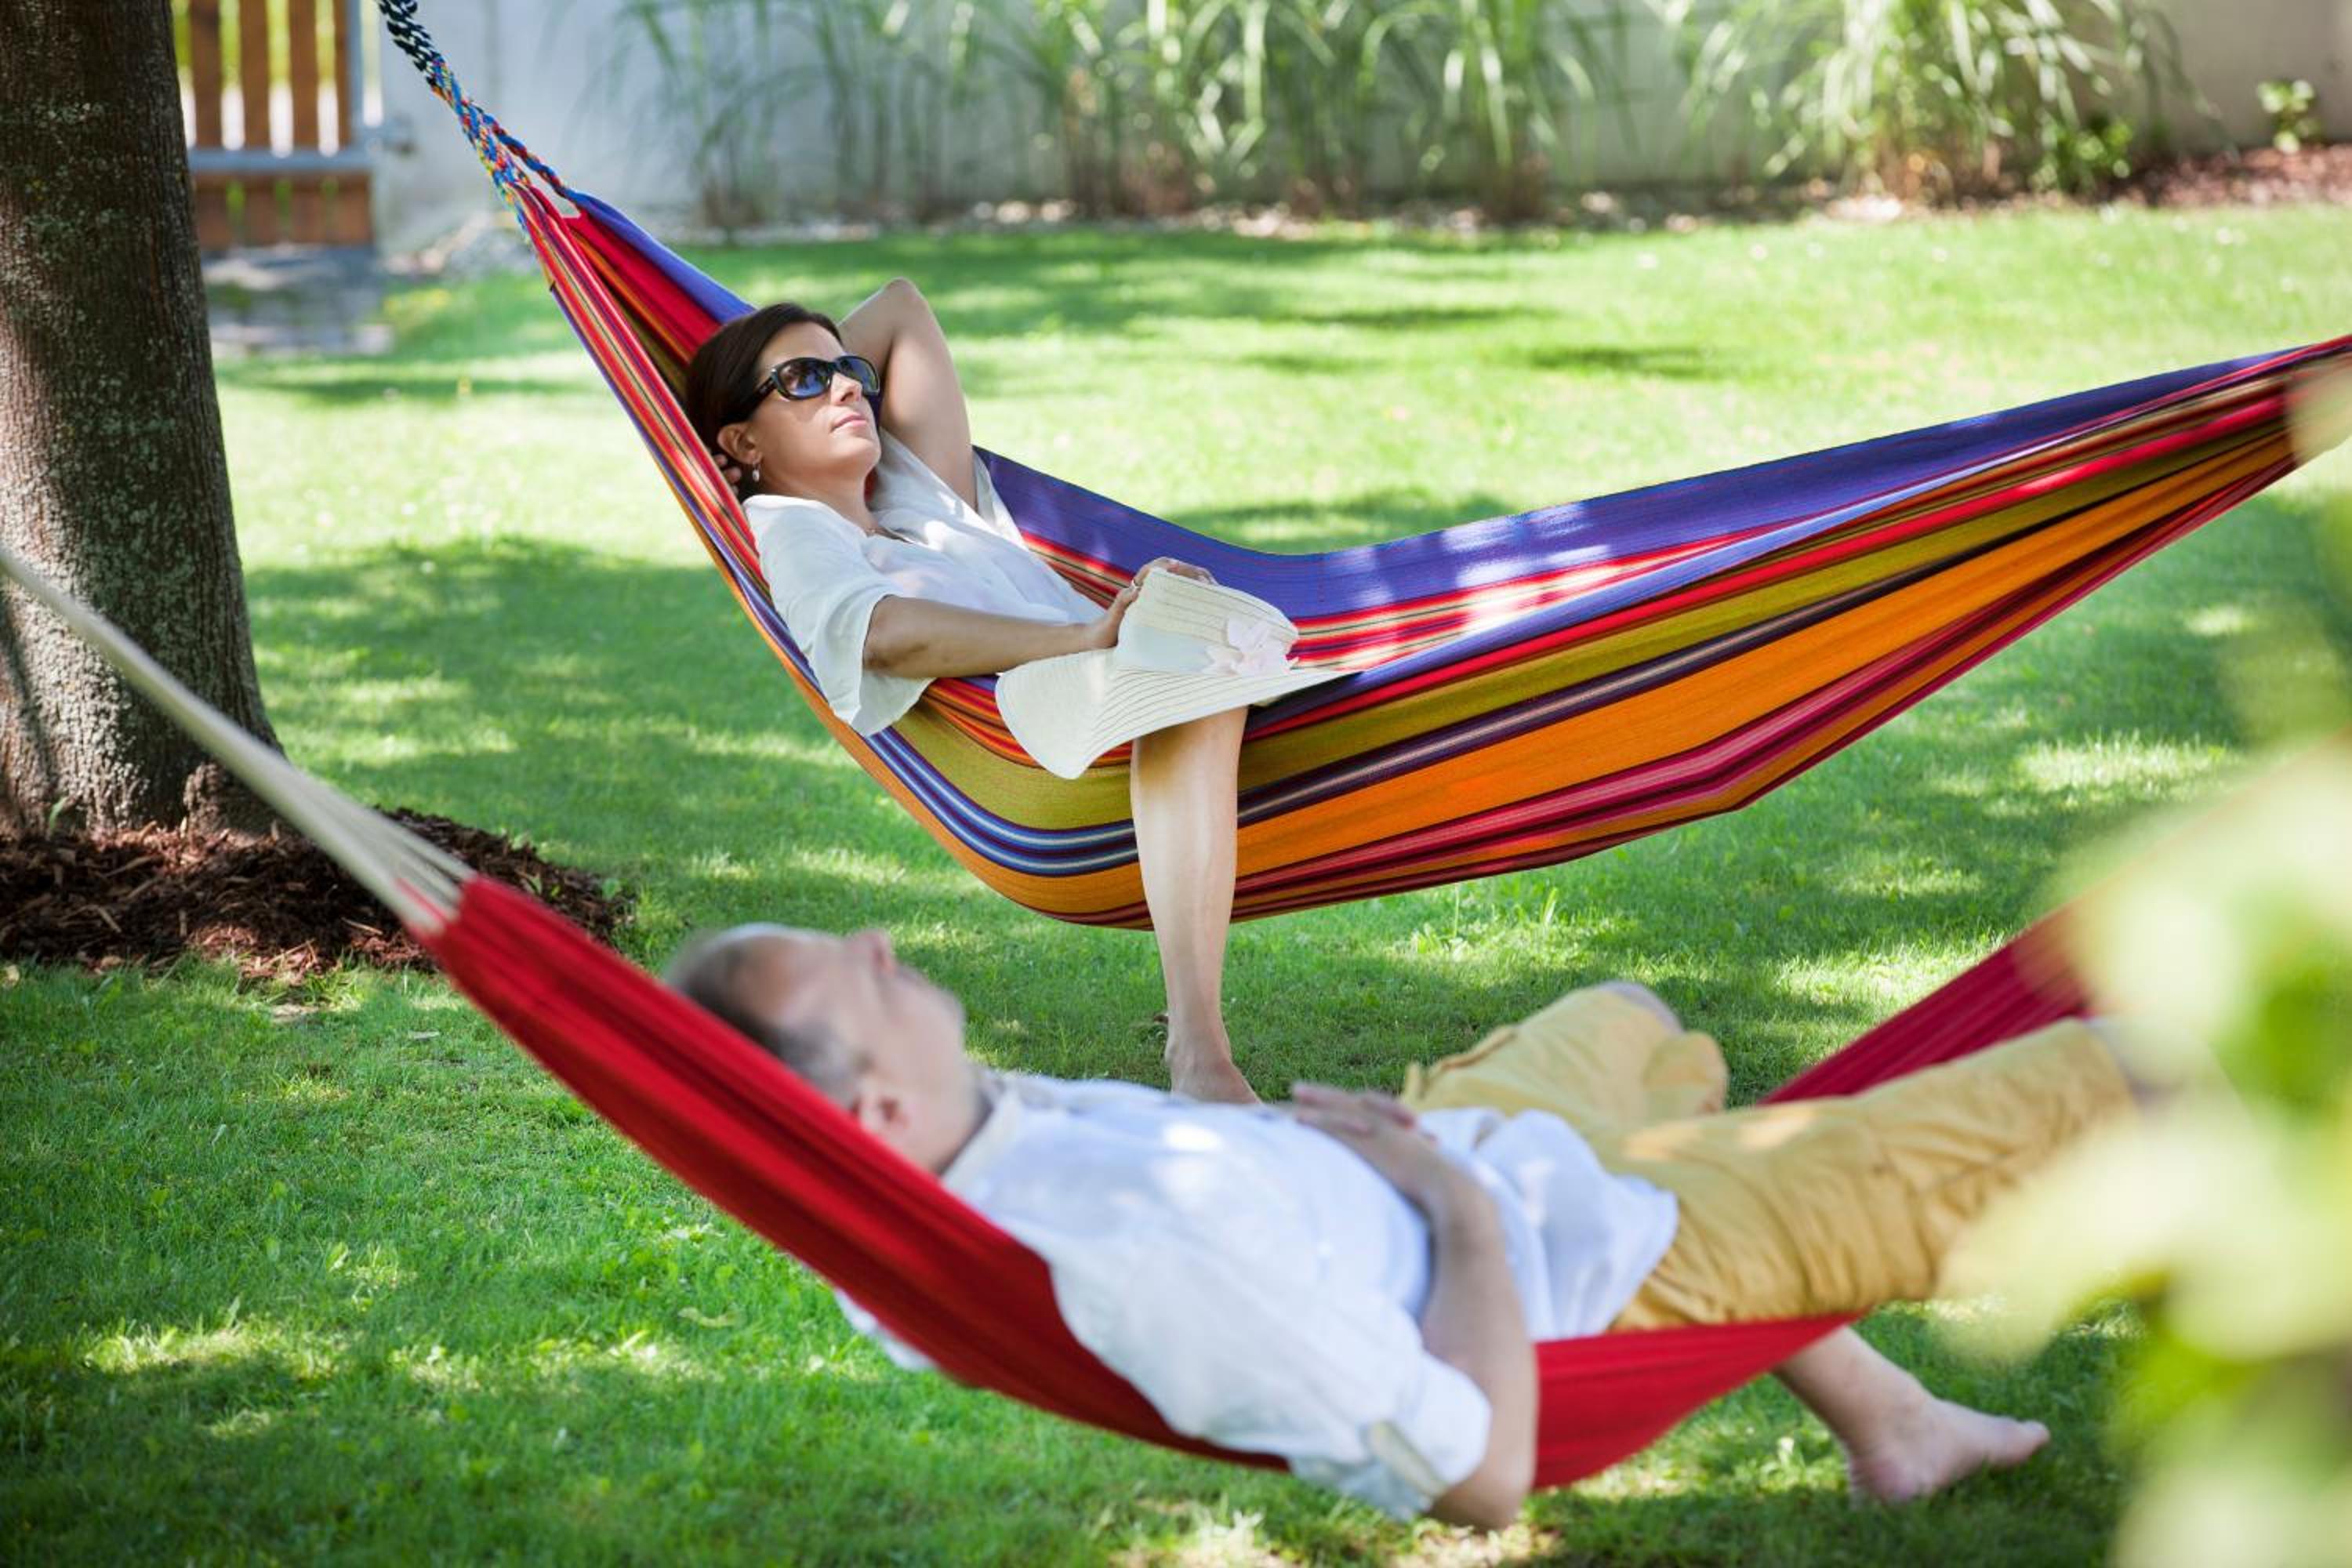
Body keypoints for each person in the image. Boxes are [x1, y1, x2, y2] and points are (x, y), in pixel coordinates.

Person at [665, 920, 2148, 1529]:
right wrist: (1448, 1205)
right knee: (2132, 1072)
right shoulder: (1142, 1253)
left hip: (1467, 1158)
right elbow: (1479, 1478)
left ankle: (1897, 1425)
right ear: (873, 1112)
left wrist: (1364, 1161)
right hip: (1599, 1259)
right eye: (853, 973)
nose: (878, 940)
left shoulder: (938, 1165)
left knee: (1629, 1018)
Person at [683, 281, 1259, 1105]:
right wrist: (1088, 637)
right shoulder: (797, 531)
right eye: (805, 381)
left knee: (1213, 657)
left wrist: (802, 382)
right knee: (1191, 687)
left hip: (1134, 686)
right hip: (1053, 759)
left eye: (849, 373)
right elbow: (881, 632)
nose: (846, 389)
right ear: (741, 439)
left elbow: (902, 309)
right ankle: (1199, 1050)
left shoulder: (914, 494)